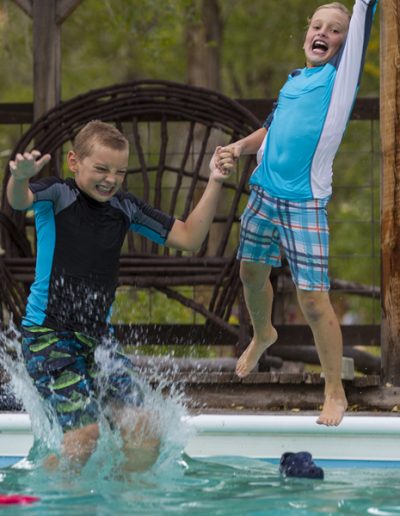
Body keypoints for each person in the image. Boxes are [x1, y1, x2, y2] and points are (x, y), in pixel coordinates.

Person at [6, 120, 234, 470]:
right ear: (74, 162)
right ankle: (44, 491)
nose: (110, 179)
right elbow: (19, 199)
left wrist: (215, 181)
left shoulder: (124, 208)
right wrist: (20, 177)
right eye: (101, 168)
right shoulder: (57, 195)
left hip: (97, 340)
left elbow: (189, 237)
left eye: (120, 171)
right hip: (47, 336)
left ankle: (124, 501)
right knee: (84, 436)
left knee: (144, 432)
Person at [214, 0, 378, 426]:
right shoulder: (295, 81)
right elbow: (270, 130)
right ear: (306, 33)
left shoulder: (340, 79)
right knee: (250, 272)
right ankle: (264, 331)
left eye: (336, 30)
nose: (323, 33)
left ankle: (334, 391)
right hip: (263, 192)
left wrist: (360, 10)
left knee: (313, 299)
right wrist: (237, 147)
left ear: (347, 43)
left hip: (304, 201)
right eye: (317, 26)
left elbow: (364, 8)